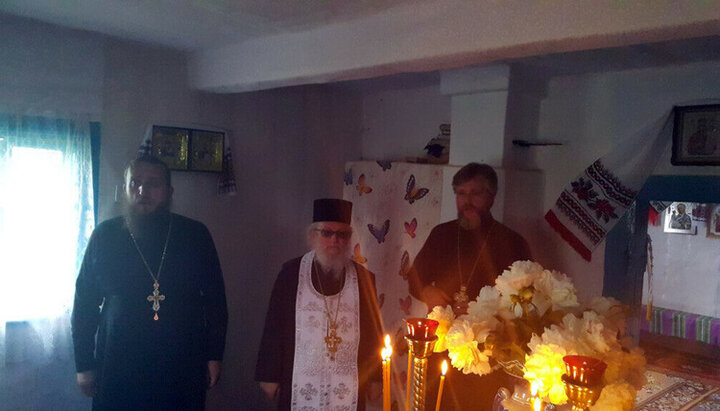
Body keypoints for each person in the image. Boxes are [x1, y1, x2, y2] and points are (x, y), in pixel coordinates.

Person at [71, 156, 228, 410]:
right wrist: (84, 365)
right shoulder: (105, 235)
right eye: (135, 183)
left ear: (168, 192)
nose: (142, 191)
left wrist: (214, 355)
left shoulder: (195, 235)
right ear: (126, 188)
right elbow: (84, 305)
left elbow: (215, 301)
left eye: (153, 184)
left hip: (181, 364)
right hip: (118, 364)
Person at [407, 162, 531, 410]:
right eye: (461, 194)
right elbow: (414, 277)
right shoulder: (442, 235)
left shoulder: (512, 242)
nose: (467, 201)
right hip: (441, 349)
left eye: (475, 193)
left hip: (489, 353)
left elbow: (528, 302)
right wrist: (427, 291)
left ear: (491, 198)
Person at [255, 198, 383, 410]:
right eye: (327, 233)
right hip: (297, 378)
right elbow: (274, 326)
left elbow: (373, 332)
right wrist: (269, 374)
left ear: (349, 238)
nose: (334, 240)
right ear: (313, 235)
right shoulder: (291, 273)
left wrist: (376, 378)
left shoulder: (364, 279)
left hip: (349, 384)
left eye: (342, 234)